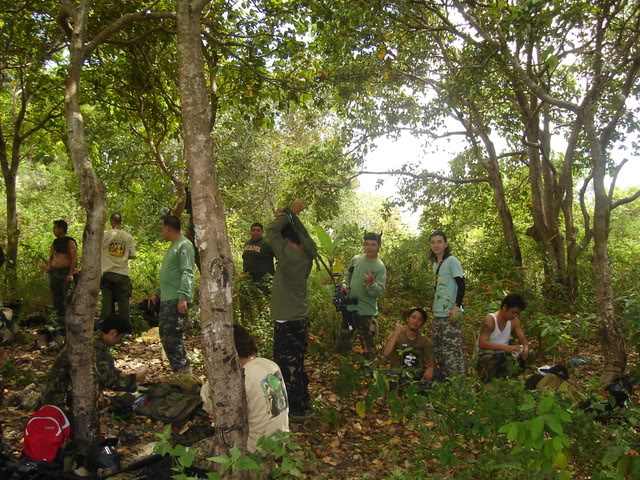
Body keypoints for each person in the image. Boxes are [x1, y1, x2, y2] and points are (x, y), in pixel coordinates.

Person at [195, 325, 289, 468]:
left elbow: (217, 415)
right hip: (280, 443)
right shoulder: (270, 364)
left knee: (191, 454)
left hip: (255, 448)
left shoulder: (238, 379)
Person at [267, 199, 315, 417]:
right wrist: (290, 215)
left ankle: (295, 409)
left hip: (287, 320)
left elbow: (272, 231)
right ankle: (302, 403)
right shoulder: (306, 256)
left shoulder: (289, 257)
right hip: (298, 317)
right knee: (297, 362)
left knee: (287, 367)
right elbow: (306, 239)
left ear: (287, 241)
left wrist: (289, 213)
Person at [40, 313, 147, 409]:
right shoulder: (92, 346)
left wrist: (130, 377)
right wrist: (134, 379)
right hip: (60, 399)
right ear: (113, 333)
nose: (118, 342)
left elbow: (109, 369)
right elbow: (108, 379)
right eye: (120, 338)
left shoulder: (94, 339)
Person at [150, 215, 195, 375]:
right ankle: (180, 374)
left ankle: (184, 376)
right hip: (168, 298)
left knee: (172, 338)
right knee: (166, 337)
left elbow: (187, 272)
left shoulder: (184, 245)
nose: (162, 231)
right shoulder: (173, 246)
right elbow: (171, 273)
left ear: (168, 227)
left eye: (162, 228)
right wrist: (158, 293)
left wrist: (183, 297)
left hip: (176, 299)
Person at [336, 232, 386, 357]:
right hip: (350, 308)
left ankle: (369, 370)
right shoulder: (356, 259)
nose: (369, 247)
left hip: (366, 311)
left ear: (378, 246)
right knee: (344, 338)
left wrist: (371, 283)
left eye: (373, 245)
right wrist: (344, 284)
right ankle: (343, 364)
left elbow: (379, 292)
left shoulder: (380, 267)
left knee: (368, 344)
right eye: (367, 244)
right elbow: (348, 274)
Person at [430, 231, 466, 380]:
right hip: (437, 314)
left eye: (439, 242)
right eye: (433, 242)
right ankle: (446, 384)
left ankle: (459, 386)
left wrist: (457, 306)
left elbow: (461, 284)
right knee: (440, 352)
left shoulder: (452, 261)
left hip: (449, 314)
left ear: (446, 243)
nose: (436, 245)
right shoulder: (436, 264)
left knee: (453, 353)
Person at [477, 294, 530, 383]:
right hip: (488, 355)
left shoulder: (514, 321)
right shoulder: (490, 320)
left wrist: (525, 347)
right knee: (489, 358)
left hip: (504, 355)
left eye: (517, 313)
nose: (514, 315)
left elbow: (522, 339)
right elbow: (482, 344)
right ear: (505, 307)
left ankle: (511, 378)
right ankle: (488, 380)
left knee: (529, 354)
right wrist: (506, 348)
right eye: (513, 312)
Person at [100, 213, 136, 326]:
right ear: (121, 222)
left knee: (107, 303)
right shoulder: (128, 237)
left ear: (111, 222)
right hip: (122, 274)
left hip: (107, 273)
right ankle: (125, 330)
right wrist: (122, 256)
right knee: (124, 304)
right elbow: (133, 255)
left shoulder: (104, 235)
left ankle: (105, 328)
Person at [383, 308, 436, 383]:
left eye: (420, 320)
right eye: (413, 317)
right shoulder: (396, 335)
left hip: (417, 375)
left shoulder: (425, 340)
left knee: (437, 375)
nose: (415, 321)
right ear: (408, 319)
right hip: (397, 374)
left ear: (422, 324)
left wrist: (431, 368)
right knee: (384, 377)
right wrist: (396, 333)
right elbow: (386, 353)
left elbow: (431, 362)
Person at [45, 220, 78, 323]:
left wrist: (70, 274)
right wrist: (49, 266)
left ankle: (68, 319)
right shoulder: (55, 242)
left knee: (67, 296)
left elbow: (74, 259)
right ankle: (58, 317)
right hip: (54, 272)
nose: (53, 230)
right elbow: (51, 256)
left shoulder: (70, 242)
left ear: (61, 229)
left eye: (55, 228)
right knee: (56, 295)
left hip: (65, 272)